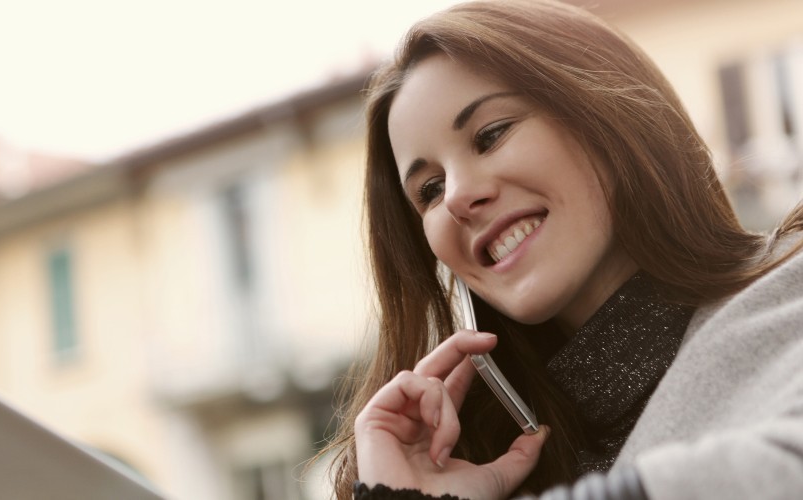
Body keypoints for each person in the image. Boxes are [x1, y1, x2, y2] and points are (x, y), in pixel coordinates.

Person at [319, 0, 803, 499]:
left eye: (491, 134)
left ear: (607, 116)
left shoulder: (789, 293)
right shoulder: (479, 462)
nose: (459, 197)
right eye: (430, 190)